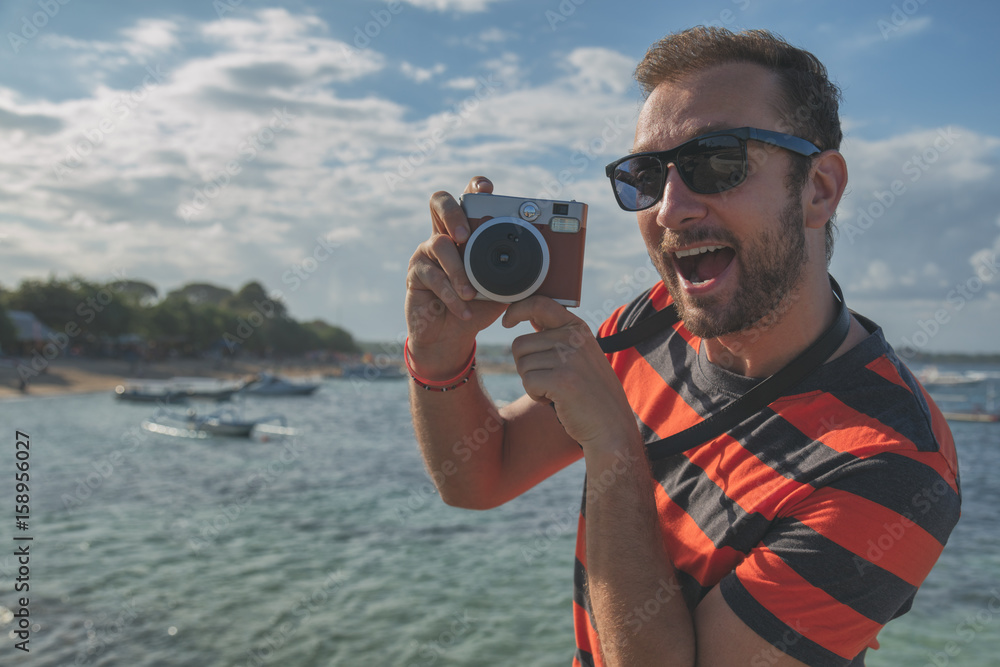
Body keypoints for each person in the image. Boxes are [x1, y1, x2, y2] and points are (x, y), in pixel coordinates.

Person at [403, 26, 960, 667]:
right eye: (645, 176)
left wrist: (613, 446)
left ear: (819, 188)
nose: (670, 209)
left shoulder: (892, 466)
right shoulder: (657, 318)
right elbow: (478, 476)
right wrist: (439, 352)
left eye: (717, 162)